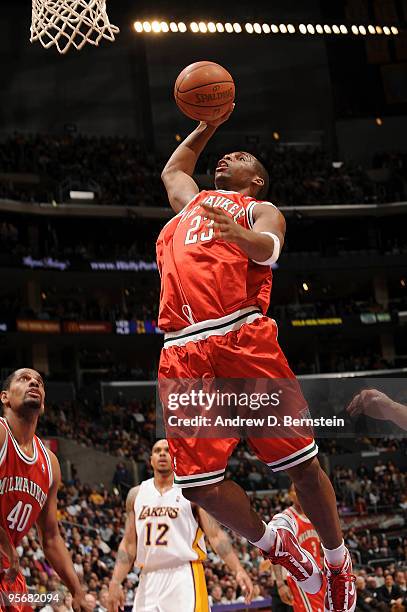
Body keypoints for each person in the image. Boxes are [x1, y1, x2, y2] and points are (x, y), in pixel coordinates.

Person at [157, 106, 355, 612]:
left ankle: (336, 560)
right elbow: (173, 171)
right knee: (198, 487)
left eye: (242, 156)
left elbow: (268, 248)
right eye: (226, 153)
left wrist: (237, 236)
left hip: (240, 338)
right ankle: (278, 545)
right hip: (182, 350)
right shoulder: (192, 203)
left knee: (303, 466)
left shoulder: (256, 210)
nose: (228, 156)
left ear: (257, 181)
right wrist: (209, 122)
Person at [107, 439, 253, 612]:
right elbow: (129, 544)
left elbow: (215, 536)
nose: (162, 453)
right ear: (151, 460)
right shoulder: (136, 494)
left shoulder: (192, 491)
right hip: (148, 578)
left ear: (175, 457)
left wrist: (238, 569)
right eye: (157, 451)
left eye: (167, 450)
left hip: (184, 574)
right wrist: (115, 581)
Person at [0, 368, 91, 612]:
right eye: (24, 379)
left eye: (39, 382)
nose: (34, 383)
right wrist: (6, 545)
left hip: (8, 574)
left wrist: (77, 591)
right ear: (5, 397)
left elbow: (50, 537)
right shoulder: (0, 435)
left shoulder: (50, 463)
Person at [274, 484, 325, 612]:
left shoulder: (314, 516)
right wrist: (280, 584)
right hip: (300, 576)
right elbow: (275, 552)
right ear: (290, 495)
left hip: (318, 575)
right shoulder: (287, 518)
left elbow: (319, 552)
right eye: (296, 491)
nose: (300, 493)